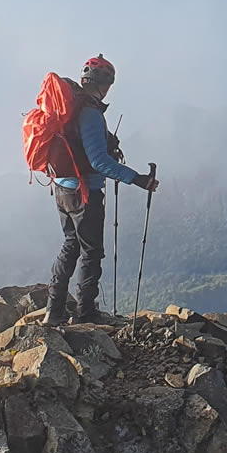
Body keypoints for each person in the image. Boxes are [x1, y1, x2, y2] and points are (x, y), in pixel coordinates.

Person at [46, 54, 157, 324]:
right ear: (103, 85)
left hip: (62, 189)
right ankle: (85, 313)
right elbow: (98, 162)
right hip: (85, 192)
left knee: (70, 245)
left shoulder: (70, 108)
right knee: (91, 251)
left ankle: (54, 310)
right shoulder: (90, 113)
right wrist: (138, 179)